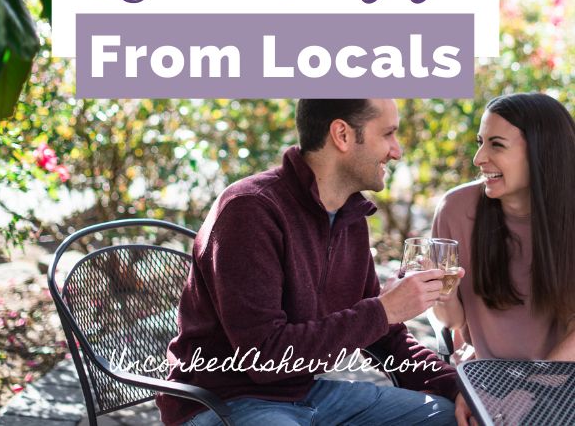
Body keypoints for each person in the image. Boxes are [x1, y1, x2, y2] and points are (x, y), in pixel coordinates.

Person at [157, 99, 460, 426]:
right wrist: (384, 310)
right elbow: (264, 358)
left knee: (446, 416)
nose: (396, 151)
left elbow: (384, 336)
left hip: (307, 393)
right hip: (223, 401)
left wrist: (459, 391)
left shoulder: (350, 218)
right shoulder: (250, 210)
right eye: (387, 134)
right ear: (342, 135)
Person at [432, 92, 575, 424]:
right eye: (481, 142)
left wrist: (531, 394)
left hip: (563, 380)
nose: (479, 157)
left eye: (497, 144)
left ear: (542, 153)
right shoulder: (457, 210)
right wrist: (439, 291)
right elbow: (451, 321)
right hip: (489, 377)